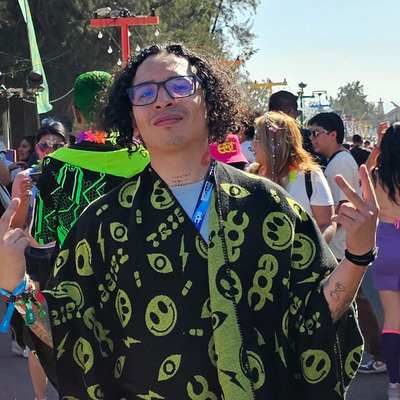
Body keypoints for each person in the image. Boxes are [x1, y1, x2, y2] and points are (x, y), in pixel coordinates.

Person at [0, 43, 378, 399]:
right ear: (132, 120)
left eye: (179, 86)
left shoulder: (268, 208)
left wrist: (358, 256)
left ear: (210, 103)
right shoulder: (101, 224)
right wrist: (16, 286)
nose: (162, 99)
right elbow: (71, 337)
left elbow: (313, 319)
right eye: (144, 93)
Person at [31, 70, 149, 252]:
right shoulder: (147, 161)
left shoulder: (56, 165)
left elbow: (41, 234)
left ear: (76, 114)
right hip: (134, 267)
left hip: (74, 268)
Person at [309, 112, 387, 375]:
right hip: (344, 247)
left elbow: (343, 208)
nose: (312, 138)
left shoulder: (339, 163)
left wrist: (328, 230)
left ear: (333, 135)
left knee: (352, 303)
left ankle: (380, 354)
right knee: (350, 303)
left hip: (342, 248)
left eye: (316, 132)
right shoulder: (338, 161)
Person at [11, 120, 68, 400]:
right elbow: (15, 224)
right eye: (45, 145)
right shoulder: (25, 177)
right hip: (33, 260)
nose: (51, 149)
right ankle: (39, 397)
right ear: (37, 148)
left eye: (58, 145)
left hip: (64, 259)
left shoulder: (73, 176)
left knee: (67, 334)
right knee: (36, 336)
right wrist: (24, 199)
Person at [252, 111, 336, 243]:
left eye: (257, 137)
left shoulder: (310, 176)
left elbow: (327, 224)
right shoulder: (251, 173)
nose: (253, 144)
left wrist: (309, 252)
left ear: (275, 142)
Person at [367, 122, 400, 399]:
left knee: (392, 319)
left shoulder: (377, 176)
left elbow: (362, 173)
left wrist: (377, 145)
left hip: (386, 245)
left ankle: (394, 385)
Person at [268, 90, 327, 167]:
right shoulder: (305, 138)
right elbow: (320, 162)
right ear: (292, 113)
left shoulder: (261, 137)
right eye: (297, 113)